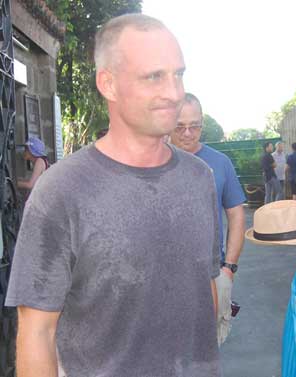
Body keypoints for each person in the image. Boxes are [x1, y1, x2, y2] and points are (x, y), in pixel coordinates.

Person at [6, 14, 221, 377]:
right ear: (108, 83)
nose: (173, 92)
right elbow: (36, 330)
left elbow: (206, 287)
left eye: (178, 74)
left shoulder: (200, 178)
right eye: (154, 76)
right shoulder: (62, 190)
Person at [169, 92, 246, 345]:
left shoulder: (220, 162)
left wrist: (229, 269)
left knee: (207, 352)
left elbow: (236, 216)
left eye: (195, 126)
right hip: (165, 278)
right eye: (180, 127)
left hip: (212, 275)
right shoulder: (152, 161)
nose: (188, 133)